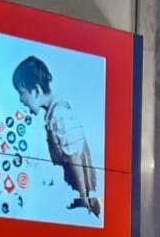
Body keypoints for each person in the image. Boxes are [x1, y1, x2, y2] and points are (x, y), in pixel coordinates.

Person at [12, 55, 100, 218]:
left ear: (36, 91)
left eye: (22, 93)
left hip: (80, 195)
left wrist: (82, 198)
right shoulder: (55, 114)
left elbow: (74, 158)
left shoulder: (59, 115)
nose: (21, 100)